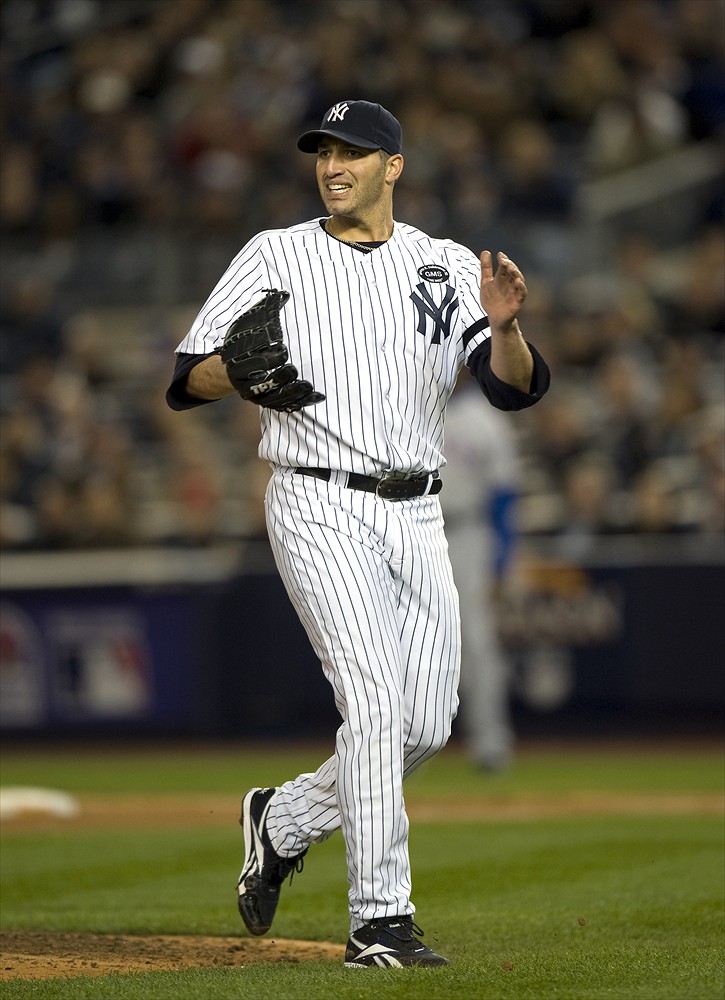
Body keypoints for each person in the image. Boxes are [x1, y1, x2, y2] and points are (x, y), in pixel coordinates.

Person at [166, 100, 550, 969]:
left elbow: (514, 389)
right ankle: (380, 921)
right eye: (323, 151)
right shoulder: (274, 253)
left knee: (424, 725)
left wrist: (505, 327)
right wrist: (235, 371)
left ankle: (285, 818)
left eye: (353, 151)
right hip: (315, 500)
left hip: (418, 511)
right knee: (374, 709)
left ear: (393, 167)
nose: (333, 165)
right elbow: (186, 381)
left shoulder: (442, 264)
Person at [441, 371, 520, 772]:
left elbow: (504, 495)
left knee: (477, 642)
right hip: (416, 529)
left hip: (471, 533)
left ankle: (491, 744)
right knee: (408, 647)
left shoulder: (485, 419)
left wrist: (503, 559)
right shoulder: (408, 407)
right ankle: (398, 750)